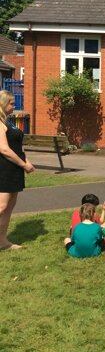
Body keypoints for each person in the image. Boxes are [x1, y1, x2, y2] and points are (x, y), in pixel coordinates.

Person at [0, 90, 34, 250]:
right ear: (3, 104)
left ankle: (2, 242)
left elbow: (16, 147)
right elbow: (4, 149)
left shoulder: (9, 122)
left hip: (14, 169)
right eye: (12, 103)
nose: (14, 106)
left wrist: (26, 161)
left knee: (9, 207)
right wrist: (23, 164)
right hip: (4, 170)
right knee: (1, 206)